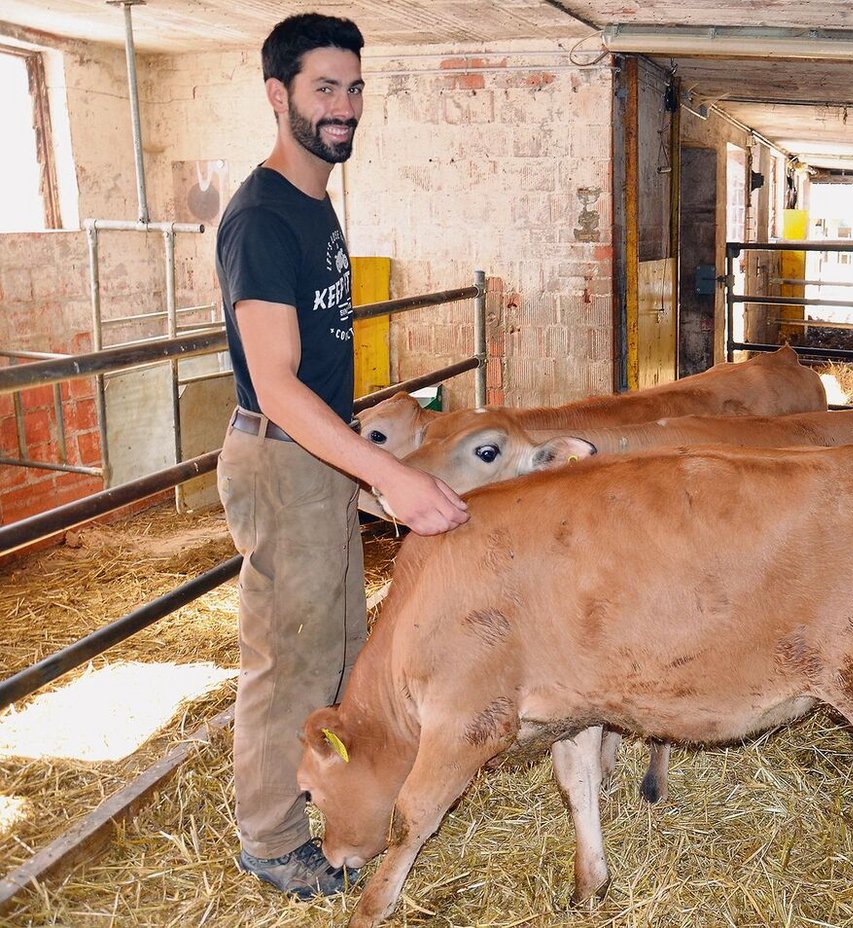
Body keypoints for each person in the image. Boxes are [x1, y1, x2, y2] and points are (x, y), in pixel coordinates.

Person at [214, 12, 469, 899]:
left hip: (317, 456)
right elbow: (277, 382)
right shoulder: (261, 219)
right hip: (279, 459)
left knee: (337, 645)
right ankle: (271, 838)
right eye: (325, 88)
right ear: (278, 94)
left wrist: (368, 455)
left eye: (355, 88)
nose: (345, 107)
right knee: (288, 655)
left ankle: (342, 798)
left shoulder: (316, 201)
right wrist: (388, 476)